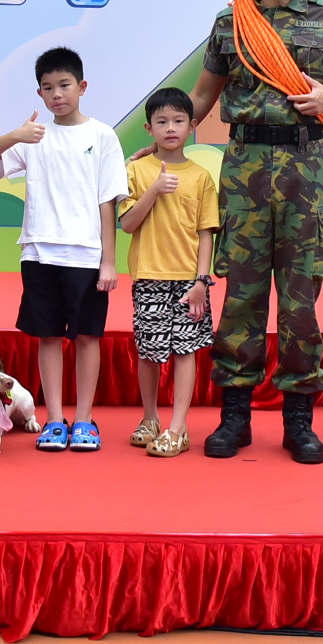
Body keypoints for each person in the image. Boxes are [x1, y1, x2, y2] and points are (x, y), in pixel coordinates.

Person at [176, 0, 323, 462]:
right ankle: (235, 414)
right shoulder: (230, 21)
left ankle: (299, 418)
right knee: (241, 295)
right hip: (245, 167)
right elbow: (205, 94)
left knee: (301, 298)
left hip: (305, 168)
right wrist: (170, 133)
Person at [0, 48, 127, 453]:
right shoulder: (33, 137)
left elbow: (108, 201)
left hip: (86, 256)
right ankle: (55, 420)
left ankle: (83, 420)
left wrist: (109, 261)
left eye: (64, 85)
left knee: (87, 338)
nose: (56, 94)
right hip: (40, 254)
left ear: (82, 87)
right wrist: (15, 135)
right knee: (48, 337)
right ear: (40, 93)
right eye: (48, 88)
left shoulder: (101, 136)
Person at [117, 87, 219, 458]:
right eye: (162, 121)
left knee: (185, 351)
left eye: (178, 121)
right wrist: (154, 190)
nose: (170, 128)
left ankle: (178, 427)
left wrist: (201, 283)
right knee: (149, 350)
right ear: (148, 128)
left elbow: (207, 234)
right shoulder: (136, 170)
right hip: (148, 276)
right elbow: (127, 224)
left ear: (192, 126)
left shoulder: (202, 177)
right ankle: (150, 419)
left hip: (188, 282)